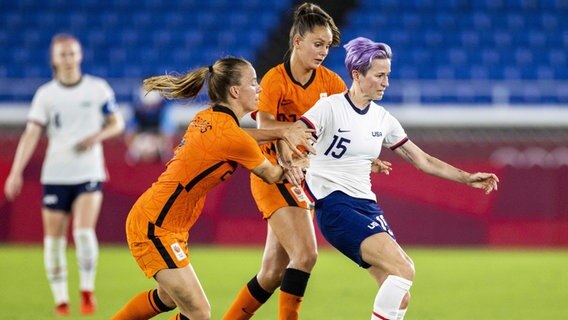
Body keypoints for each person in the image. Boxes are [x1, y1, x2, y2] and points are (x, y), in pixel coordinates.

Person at [291, 37, 500, 320]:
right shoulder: (330, 108)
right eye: (379, 75)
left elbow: (422, 160)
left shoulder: (382, 118)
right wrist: (297, 161)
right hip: (336, 207)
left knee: (399, 295)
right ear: (356, 74)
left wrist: (467, 178)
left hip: (367, 207)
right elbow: (292, 136)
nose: (386, 82)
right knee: (404, 269)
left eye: (388, 75)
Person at [111, 57, 316, 320]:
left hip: (161, 219)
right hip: (156, 226)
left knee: (167, 298)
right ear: (234, 91)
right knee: (200, 312)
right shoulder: (231, 137)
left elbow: (239, 138)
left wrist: (280, 133)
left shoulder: (207, 118)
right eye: (253, 83)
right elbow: (273, 174)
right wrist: (306, 161)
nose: (259, 89)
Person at [222, 3, 349, 319]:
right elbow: (264, 128)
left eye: (326, 46)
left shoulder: (332, 83)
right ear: (297, 42)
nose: (322, 52)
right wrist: (287, 158)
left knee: (271, 272)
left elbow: (343, 130)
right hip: (274, 174)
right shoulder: (275, 80)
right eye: (317, 44)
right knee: (305, 255)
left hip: (302, 177)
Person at [3, 33, 125, 316]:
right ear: (54, 60)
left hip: (89, 171)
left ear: (80, 56)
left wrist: (98, 136)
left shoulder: (97, 89)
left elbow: (117, 122)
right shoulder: (46, 94)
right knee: (54, 239)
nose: (69, 59)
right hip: (56, 173)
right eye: (63, 54)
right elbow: (31, 133)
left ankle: (86, 291)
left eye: (72, 53)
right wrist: (16, 172)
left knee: (83, 232)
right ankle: (60, 300)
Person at [124, 85, 176, 165]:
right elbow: (130, 133)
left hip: (157, 140)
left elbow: (167, 134)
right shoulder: (136, 111)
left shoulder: (163, 111)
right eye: (147, 106)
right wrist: (136, 144)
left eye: (153, 106)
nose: (150, 109)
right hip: (141, 140)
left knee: (166, 153)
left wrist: (159, 144)